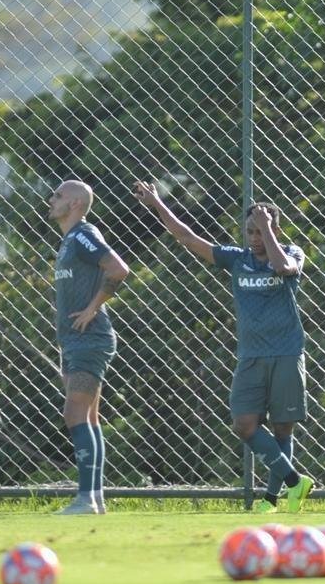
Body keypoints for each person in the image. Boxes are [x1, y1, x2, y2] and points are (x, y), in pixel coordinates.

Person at [134, 181, 314, 513]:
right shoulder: (236, 259)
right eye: (251, 231)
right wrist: (158, 203)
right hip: (250, 356)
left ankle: (271, 502)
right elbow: (187, 236)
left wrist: (268, 229)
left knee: (282, 428)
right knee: (244, 424)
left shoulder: (291, 252)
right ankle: (294, 481)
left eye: (261, 230)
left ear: (276, 229)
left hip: (286, 352)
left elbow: (283, 268)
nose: (255, 237)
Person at [48, 180, 129, 515]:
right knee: (89, 418)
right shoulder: (69, 240)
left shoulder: (83, 234)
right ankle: (94, 498)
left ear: (77, 204)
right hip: (73, 340)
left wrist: (93, 307)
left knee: (75, 413)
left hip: (89, 338)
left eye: (58, 196)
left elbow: (118, 269)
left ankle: (86, 499)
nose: (51, 200)